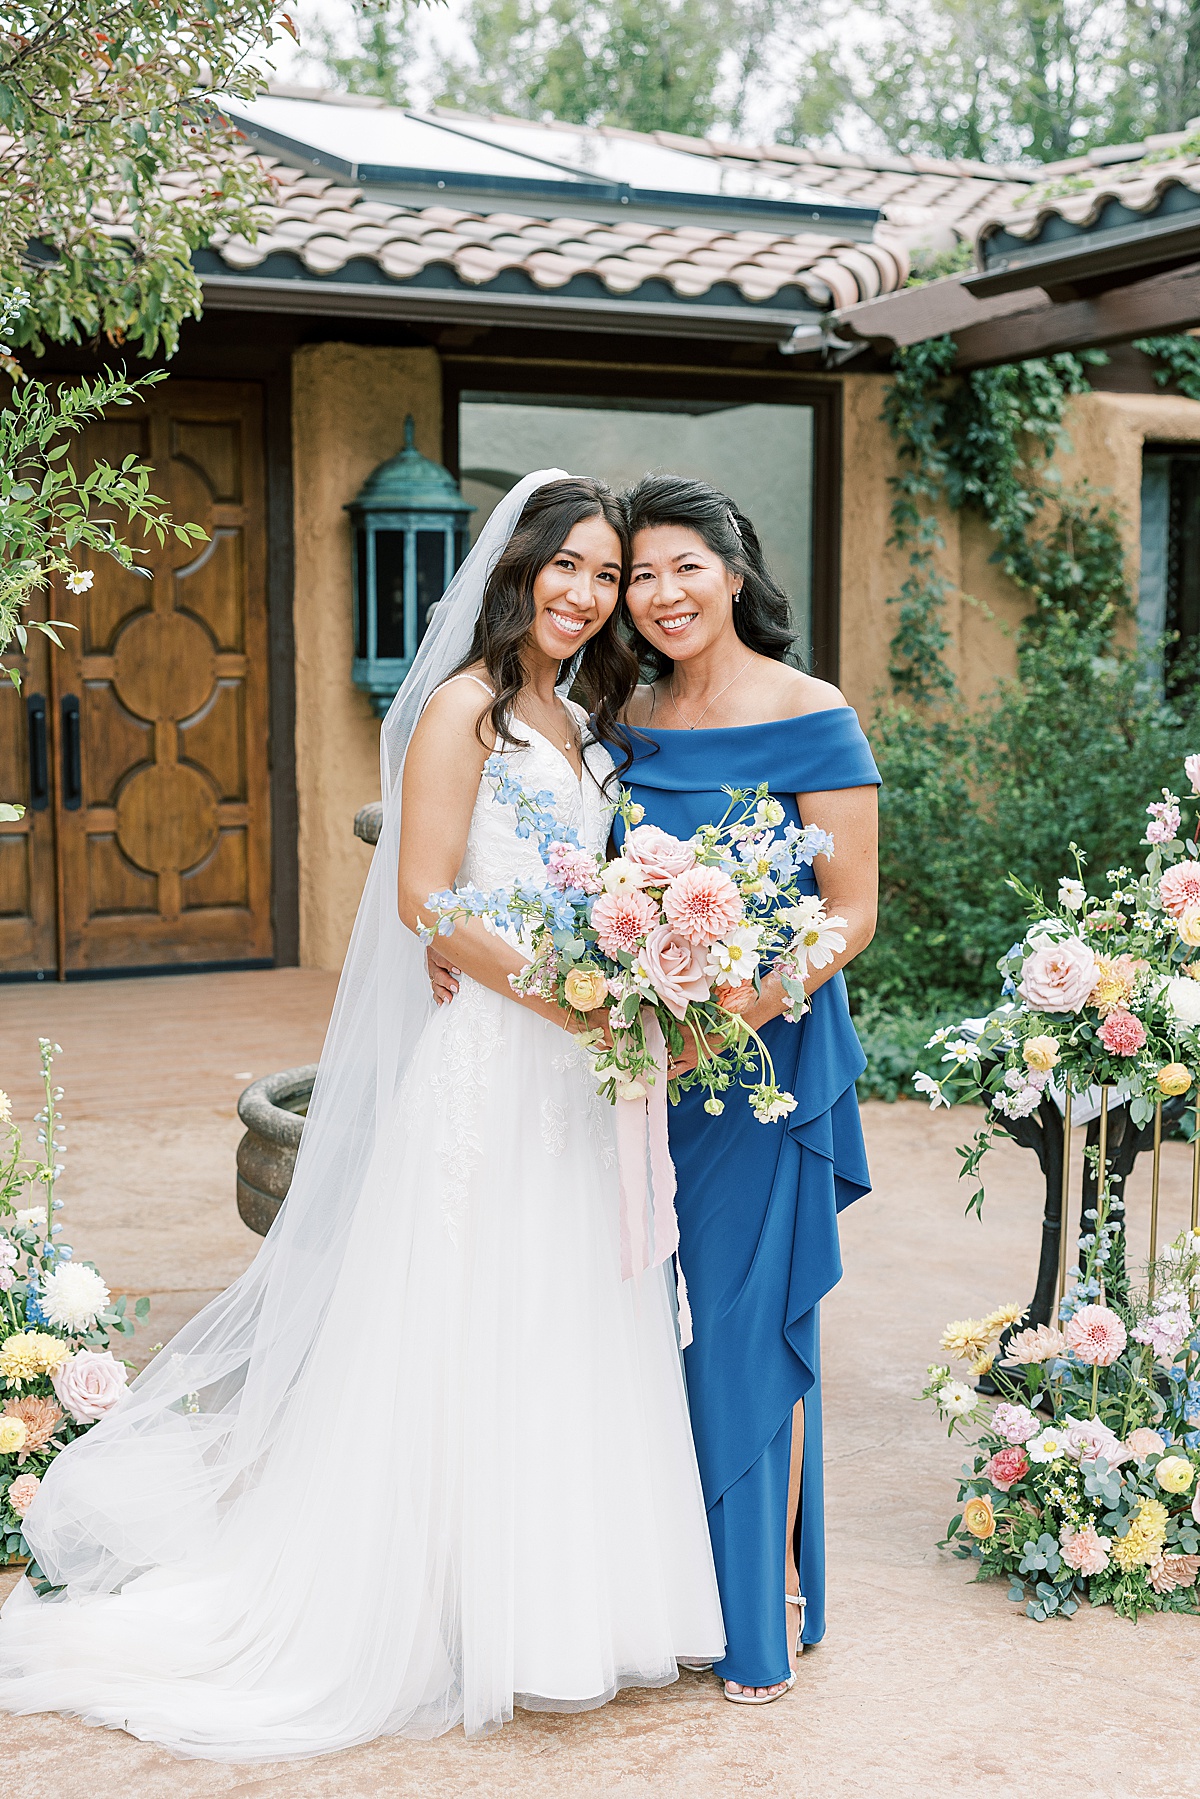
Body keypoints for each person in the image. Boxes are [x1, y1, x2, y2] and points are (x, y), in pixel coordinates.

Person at [0, 472, 724, 1761]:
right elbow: (426, 898)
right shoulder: (463, 707)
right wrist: (576, 999)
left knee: (571, 1311)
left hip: (582, 1063)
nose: (588, 592)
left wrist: (640, 963)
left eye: (608, 576)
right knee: (474, 1318)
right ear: (519, 570)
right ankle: (446, 1605)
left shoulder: (586, 713)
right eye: (569, 565)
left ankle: (571, 1605)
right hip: (504, 1062)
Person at [619, 474, 879, 1704]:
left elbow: (853, 912)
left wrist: (738, 1011)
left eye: (684, 566)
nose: (662, 594)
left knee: (737, 1323)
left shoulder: (812, 709)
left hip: (761, 1066)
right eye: (638, 574)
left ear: (734, 568)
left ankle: (752, 1614)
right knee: (633, 1326)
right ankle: (658, 1583)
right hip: (633, 1061)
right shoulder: (624, 716)